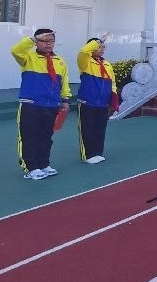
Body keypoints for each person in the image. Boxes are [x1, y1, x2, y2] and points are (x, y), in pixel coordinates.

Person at [11, 28, 71, 180]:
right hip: (31, 104)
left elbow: (64, 83)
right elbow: (15, 50)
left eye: (51, 41)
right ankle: (31, 168)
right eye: (44, 40)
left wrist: (65, 100)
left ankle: (44, 164)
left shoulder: (60, 61)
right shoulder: (27, 57)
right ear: (37, 41)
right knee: (29, 136)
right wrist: (32, 38)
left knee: (46, 137)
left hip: (51, 105)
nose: (48, 44)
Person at [76, 35, 118, 164]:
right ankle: (88, 155)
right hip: (87, 101)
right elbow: (83, 52)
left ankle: (97, 152)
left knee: (100, 129)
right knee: (87, 129)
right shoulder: (85, 62)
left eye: (103, 47)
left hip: (103, 103)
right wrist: (97, 40)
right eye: (99, 47)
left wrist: (114, 98)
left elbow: (112, 83)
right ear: (92, 48)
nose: (102, 49)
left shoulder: (107, 64)